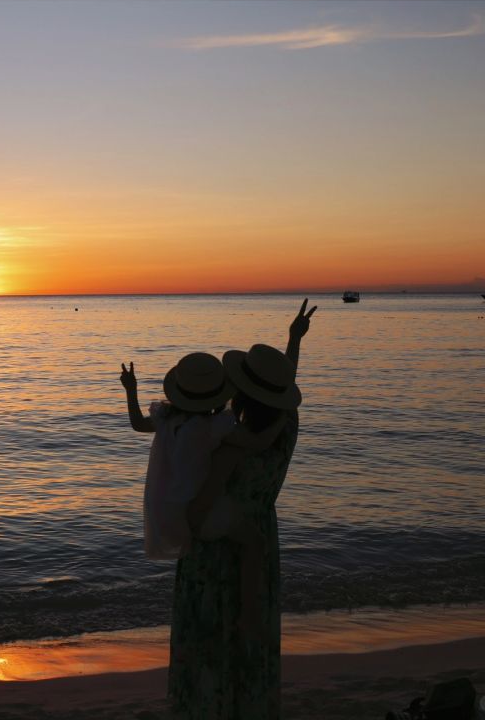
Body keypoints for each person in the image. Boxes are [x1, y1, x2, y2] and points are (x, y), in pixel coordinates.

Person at [168, 299, 317, 720]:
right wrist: (293, 341)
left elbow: (199, 514)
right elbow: (281, 392)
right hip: (262, 538)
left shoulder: (229, 447)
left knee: (210, 640)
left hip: (216, 555)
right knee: (253, 634)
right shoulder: (286, 427)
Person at [120, 352, 286, 637]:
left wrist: (131, 389)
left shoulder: (167, 418)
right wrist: (281, 417)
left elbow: (137, 423)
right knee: (254, 542)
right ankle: (249, 614)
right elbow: (258, 442)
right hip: (201, 510)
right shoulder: (212, 428)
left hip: (168, 510)